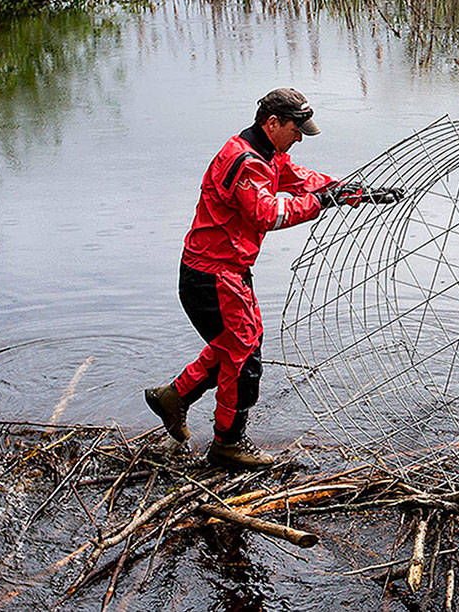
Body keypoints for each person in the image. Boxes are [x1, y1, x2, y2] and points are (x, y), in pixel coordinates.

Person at [144, 88, 403, 469]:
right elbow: (265, 215)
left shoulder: (269, 154)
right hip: (211, 275)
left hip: (226, 272)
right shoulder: (245, 162)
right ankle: (228, 444)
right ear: (272, 123)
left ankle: (175, 397)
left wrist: (356, 193)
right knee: (244, 354)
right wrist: (320, 204)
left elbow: (304, 181)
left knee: (238, 345)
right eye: (296, 130)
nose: (300, 138)